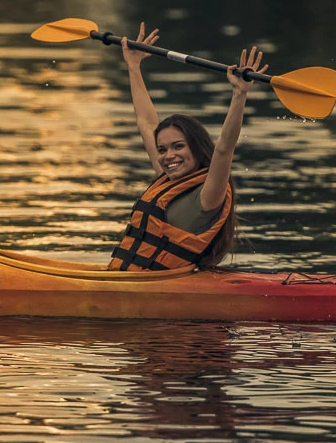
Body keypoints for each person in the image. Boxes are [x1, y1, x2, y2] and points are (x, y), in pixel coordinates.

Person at [107, 23, 266, 272]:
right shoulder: (165, 179)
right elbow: (146, 123)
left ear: (196, 148)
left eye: (178, 146)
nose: (168, 156)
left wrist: (239, 94)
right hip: (125, 280)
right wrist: (133, 65)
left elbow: (224, 148)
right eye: (162, 149)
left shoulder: (208, 195)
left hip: (155, 287)